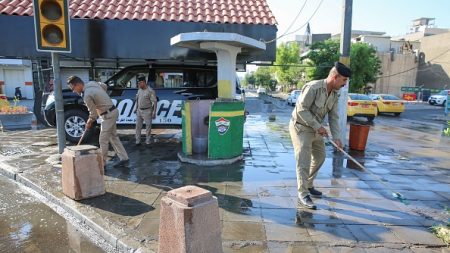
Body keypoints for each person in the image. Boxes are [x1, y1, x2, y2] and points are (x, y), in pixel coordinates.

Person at [289, 62, 351, 209]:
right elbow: (301, 110)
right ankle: (303, 193)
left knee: (320, 157)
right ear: (335, 77)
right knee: (303, 160)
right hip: (301, 127)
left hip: (316, 129)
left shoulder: (335, 93)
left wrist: (337, 137)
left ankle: (308, 184)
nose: (345, 84)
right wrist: (319, 127)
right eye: (344, 80)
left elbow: (334, 117)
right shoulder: (313, 87)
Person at [67, 76, 129, 167]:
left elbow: (93, 114)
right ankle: (124, 158)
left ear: (78, 84)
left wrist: (89, 122)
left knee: (103, 140)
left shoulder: (87, 95)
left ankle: (102, 164)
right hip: (112, 111)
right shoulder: (92, 83)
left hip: (108, 116)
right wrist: (100, 98)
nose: (73, 91)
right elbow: (104, 86)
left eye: (73, 88)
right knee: (113, 137)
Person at [135, 74, 157, 146]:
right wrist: (135, 108)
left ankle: (148, 141)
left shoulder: (150, 91)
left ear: (144, 82)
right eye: (138, 83)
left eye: (140, 83)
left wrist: (154, 112)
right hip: (139, 110)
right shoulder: (139, 90)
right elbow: (137, 99)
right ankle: (138, 141)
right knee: (138, 126)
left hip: (147, 111)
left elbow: (154, 102)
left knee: (148, 127)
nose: (138, 84)